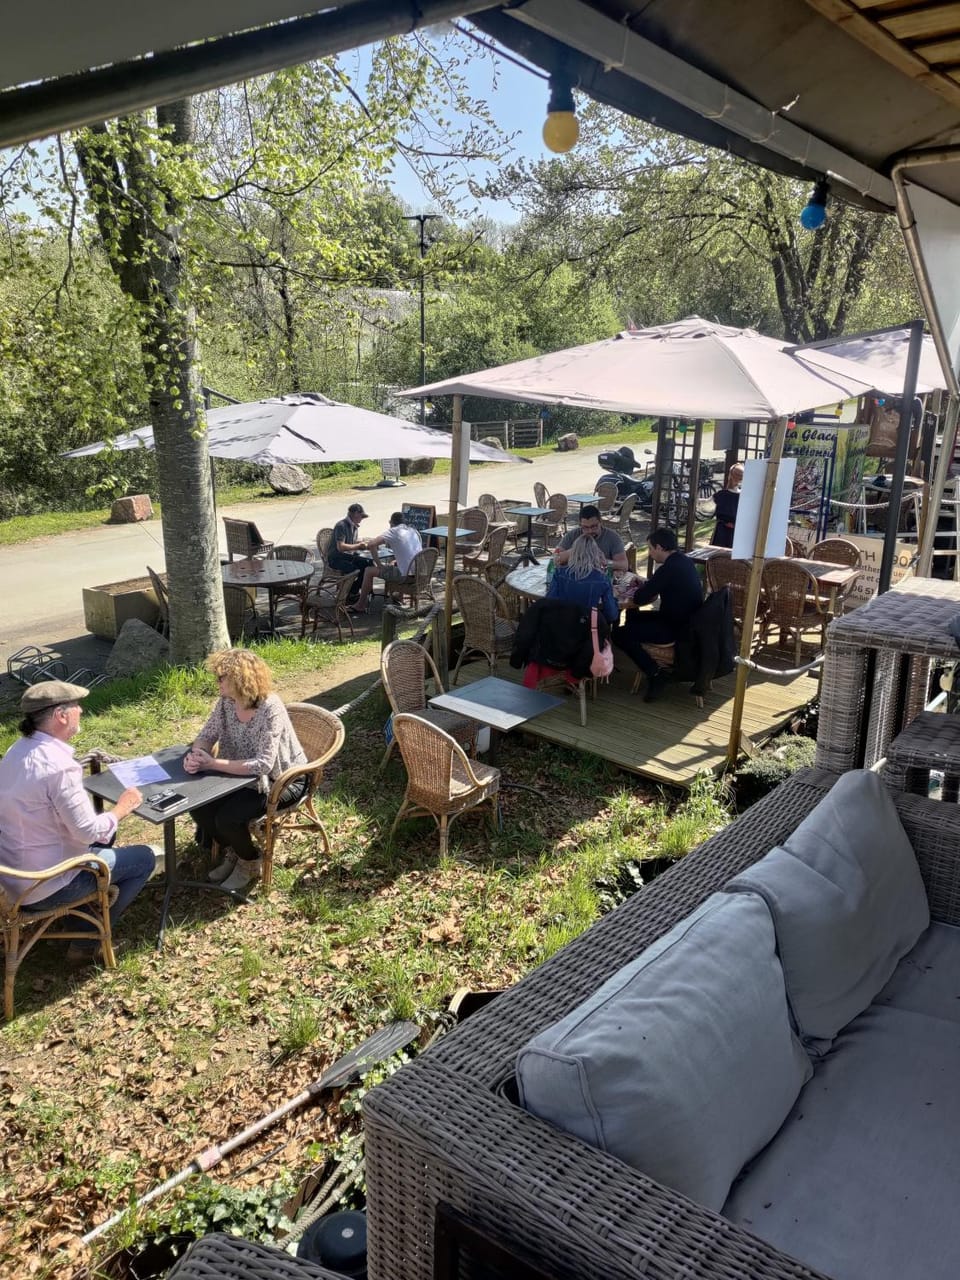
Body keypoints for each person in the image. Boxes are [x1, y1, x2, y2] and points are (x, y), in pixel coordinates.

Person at [0, 680, 156, 964]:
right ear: (61, 715)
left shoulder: (16, 752)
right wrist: (123, 807)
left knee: (106, 841)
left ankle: (82, 914)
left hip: (13, 878)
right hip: (46, 885)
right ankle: (86, 941)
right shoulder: (59, 767)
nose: (81, 710)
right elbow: (87, 831)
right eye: (75, 707)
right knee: (144, 858)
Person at [185, 649, 307, 893]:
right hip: (238, 778)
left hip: (281, 779)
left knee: (228, 817)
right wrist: (197, 754)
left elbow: (264, 764)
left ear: (240, 679)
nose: (216, 681)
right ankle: (235, 852)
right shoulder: (226, 703)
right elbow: (207, 735)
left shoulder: (270, 707)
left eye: (221, 677)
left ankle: (250, 861)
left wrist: (212, 764)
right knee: (199, 806)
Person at [613, 528, 704, 701]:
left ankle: (654, 674)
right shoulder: (683, 561)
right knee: (634, 620)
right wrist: (646, 585)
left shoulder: (667, 569)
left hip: (675, 629)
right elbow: (654, 588)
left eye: (651, 548)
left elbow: (640, 598)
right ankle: (639, 655)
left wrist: (639, 588)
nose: (650, 553)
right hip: (687, 622)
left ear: (660, 547)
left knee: (618, 634)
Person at [353, 512, 423, 612]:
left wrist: (379, 564)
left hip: (406, 576)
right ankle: (399, 596)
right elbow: (411, 553)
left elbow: (371, 545)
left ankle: (361, 605)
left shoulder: (393, 531)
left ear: (391, 522)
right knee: (395, 564)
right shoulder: (413, 531)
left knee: (369, 570)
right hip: (421, 573)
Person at [547, 533, 619, 623]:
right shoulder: (602, 580)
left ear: (573, 552)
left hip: (561, 627)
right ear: (595, 553)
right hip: (586, 630)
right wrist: (614, 597)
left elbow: (549, 602)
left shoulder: (559, 573)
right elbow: (611, 615)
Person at [554, 504, 629, 572]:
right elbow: (555, 559)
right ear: (580, 525)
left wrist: (605, 562)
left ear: (600, 522)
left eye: (594, 526)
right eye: (585, 527)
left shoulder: (613, 537)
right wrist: (576, 551)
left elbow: (624, 565)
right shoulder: (573, 535)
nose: (590, 531)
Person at [329, 502, 376, 608]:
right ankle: (347, 593)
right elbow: (340, 547)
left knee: (368, 564)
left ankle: (353, 591)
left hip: (347, 556)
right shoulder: (341, 525)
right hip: (336, 558)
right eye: (361, 516)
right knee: (356, 569)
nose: (361, 519)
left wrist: (364, 543)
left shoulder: (355, 527)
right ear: (355, 514)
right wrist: (358, 546)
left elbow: (352, 543)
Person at [711, 463, 743, 548]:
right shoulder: (745, 496)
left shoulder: (721, 495)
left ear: (730, 476)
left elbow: (706, 508)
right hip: (735, 532)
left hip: (723, 533)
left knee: (720, 557)